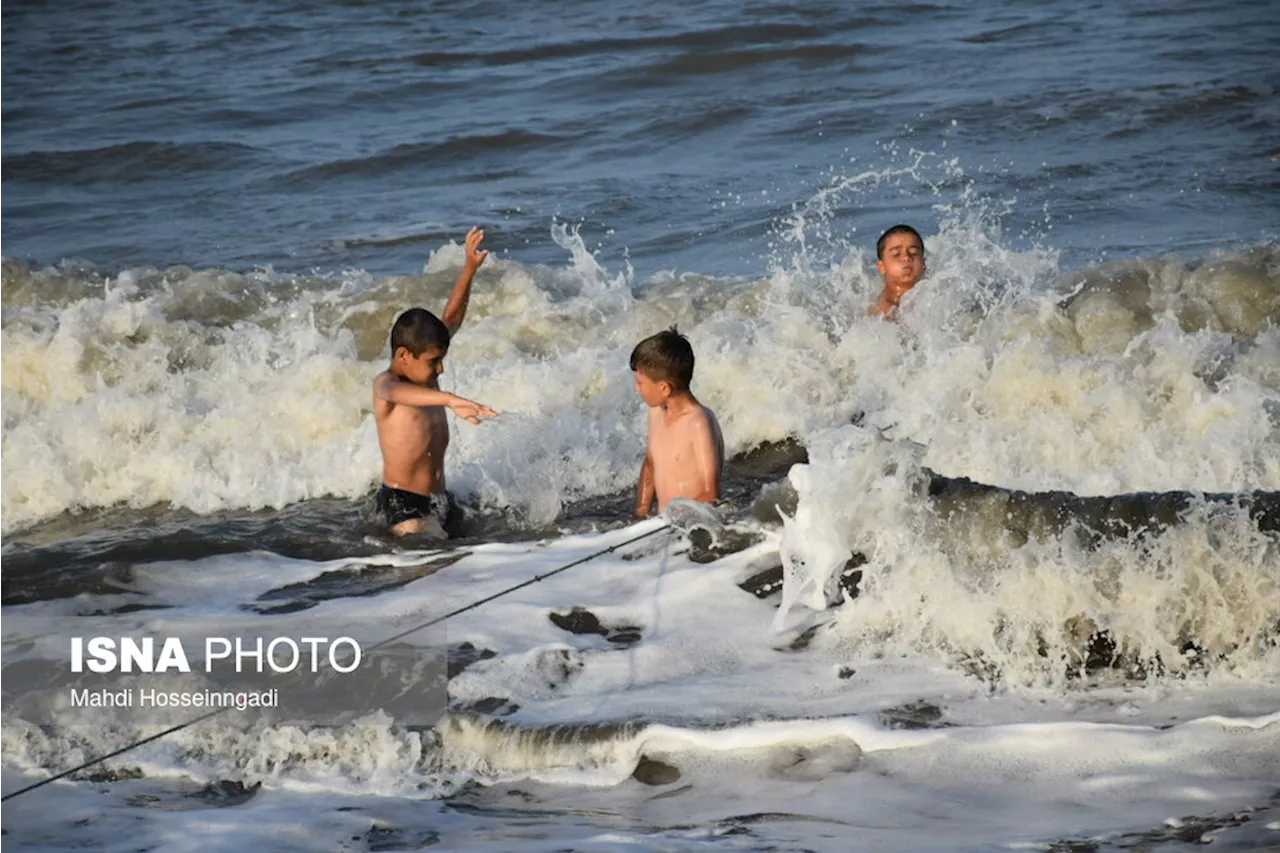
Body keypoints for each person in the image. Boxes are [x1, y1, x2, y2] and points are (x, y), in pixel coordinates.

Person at [372, 227, 497, 536]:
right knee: (428, 564)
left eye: (441, 360)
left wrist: (468, 270)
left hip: (439, 498)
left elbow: (451, 318)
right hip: (403, 502)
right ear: (403, 355)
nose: (440, 370)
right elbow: (400, 393)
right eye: (433, 362)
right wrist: (452, 399)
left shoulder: (422, 369)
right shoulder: (386, 386)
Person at [630, 327, 724, 517]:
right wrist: (640, 514)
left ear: (664, 388)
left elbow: (711, 493)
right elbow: (650, 465)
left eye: (640, 382)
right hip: (661, 524)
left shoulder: (698, 422)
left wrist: (673, 519)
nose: (637, 388)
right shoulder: (655, 412)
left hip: (692, 524)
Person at [869, 224, 926, 320]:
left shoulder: (935, 294)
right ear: (882, 267)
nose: (906, 257)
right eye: (896, 254)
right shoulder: (884, 312)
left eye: (913, 253)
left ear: (924, 264)